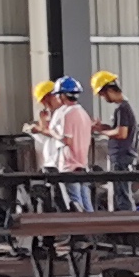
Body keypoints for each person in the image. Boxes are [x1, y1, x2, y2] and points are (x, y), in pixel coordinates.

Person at [41, 76, 97, 213]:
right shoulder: (83, 113)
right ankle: (93, 225)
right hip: (82, 163)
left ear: (62, 95)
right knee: (86, 202)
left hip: (70, 164)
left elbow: (67, 140)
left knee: (75, 202)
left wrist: (51, 132)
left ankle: (81, 227)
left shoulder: (67, 114)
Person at [90, 68, 138, 210]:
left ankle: (128, 220)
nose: (103, 98)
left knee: (122, 194)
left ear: (110, 90)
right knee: (121, 192)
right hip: (122, 156)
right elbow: (118, 128)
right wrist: (102, 127)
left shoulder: (122, 109)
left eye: (103, 94)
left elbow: (121, 133)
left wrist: (102, 132)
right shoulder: (123, 108)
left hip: (122, 157)